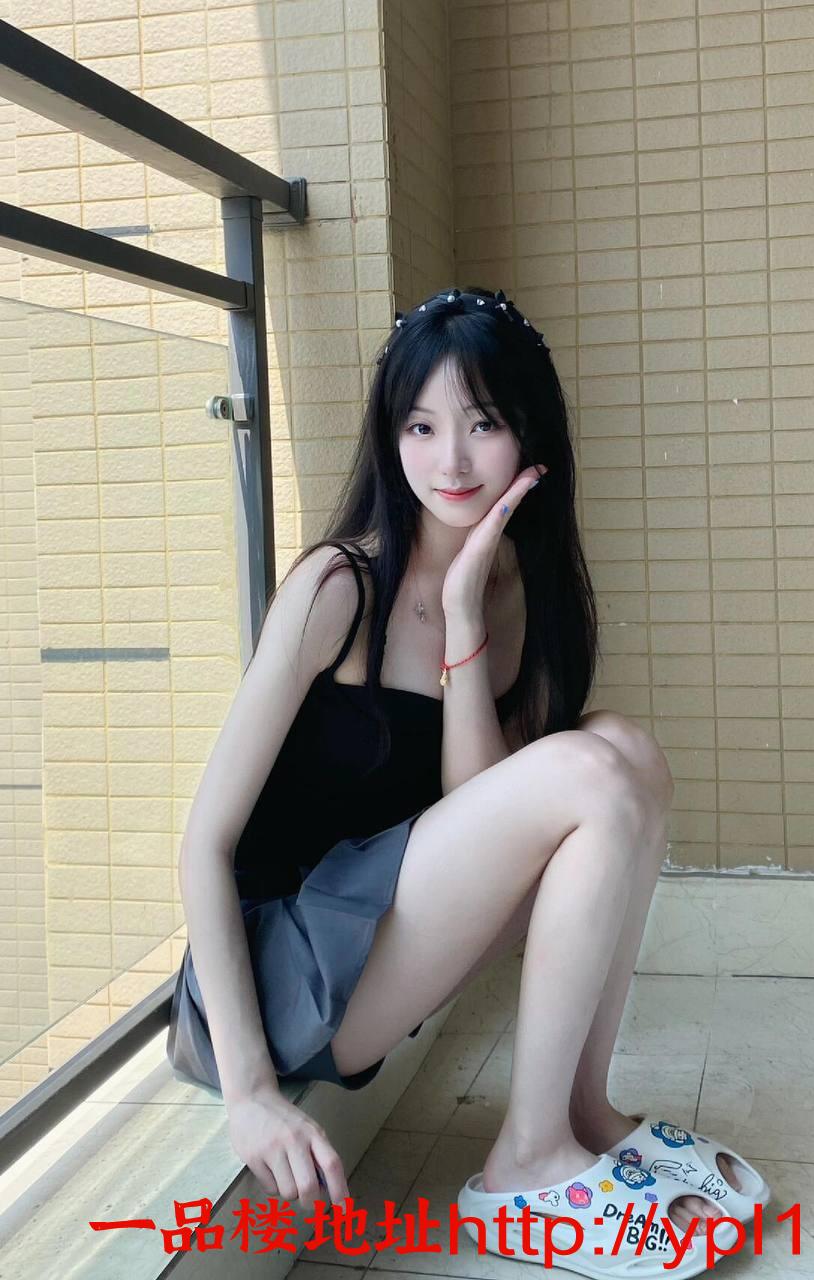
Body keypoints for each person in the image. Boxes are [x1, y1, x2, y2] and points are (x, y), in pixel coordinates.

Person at [167, 286, 769, 1276]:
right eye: (420, 426)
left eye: (481, 423)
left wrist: (461, 619)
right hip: (277, 973)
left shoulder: (519, 593)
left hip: (381, 934)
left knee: (624, 750)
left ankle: (578, 1112)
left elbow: (474, 816)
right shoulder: (335, 587)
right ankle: (524, 1162)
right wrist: (249, 1093)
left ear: (529, 432)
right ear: (389, 436)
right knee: (586, 767)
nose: (449, 460)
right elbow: (205, 843)